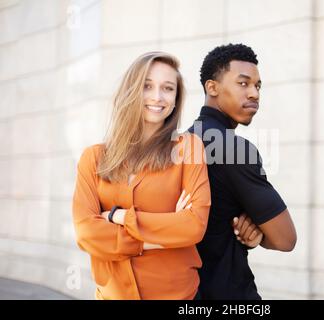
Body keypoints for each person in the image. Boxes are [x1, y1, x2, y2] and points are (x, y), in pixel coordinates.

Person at [72, 51, 211, 300]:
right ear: (132, 89)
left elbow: (193, 226)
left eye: (168, 88)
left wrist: (117, 216)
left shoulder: (188, 148)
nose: (157, 97)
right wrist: (158, 237)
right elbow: (86, 233)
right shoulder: (93, 158)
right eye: (147, 86)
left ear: (176, 98)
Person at [188, 43, 297, 300]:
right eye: (243, 83)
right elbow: (285, 239)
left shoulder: (180, 142)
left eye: (258, 86)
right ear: (212, 87)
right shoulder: (235, 149)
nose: (254, 94)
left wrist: (254, 223)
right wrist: (260, 232)